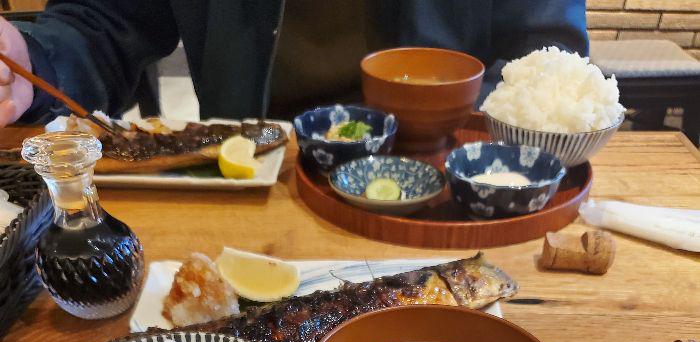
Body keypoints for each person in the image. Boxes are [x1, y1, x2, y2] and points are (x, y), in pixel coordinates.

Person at [0, 0, 587, 126]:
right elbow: (104, 22)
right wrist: (30, 58)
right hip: (257, 176)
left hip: (453, 181)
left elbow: (549, 57)